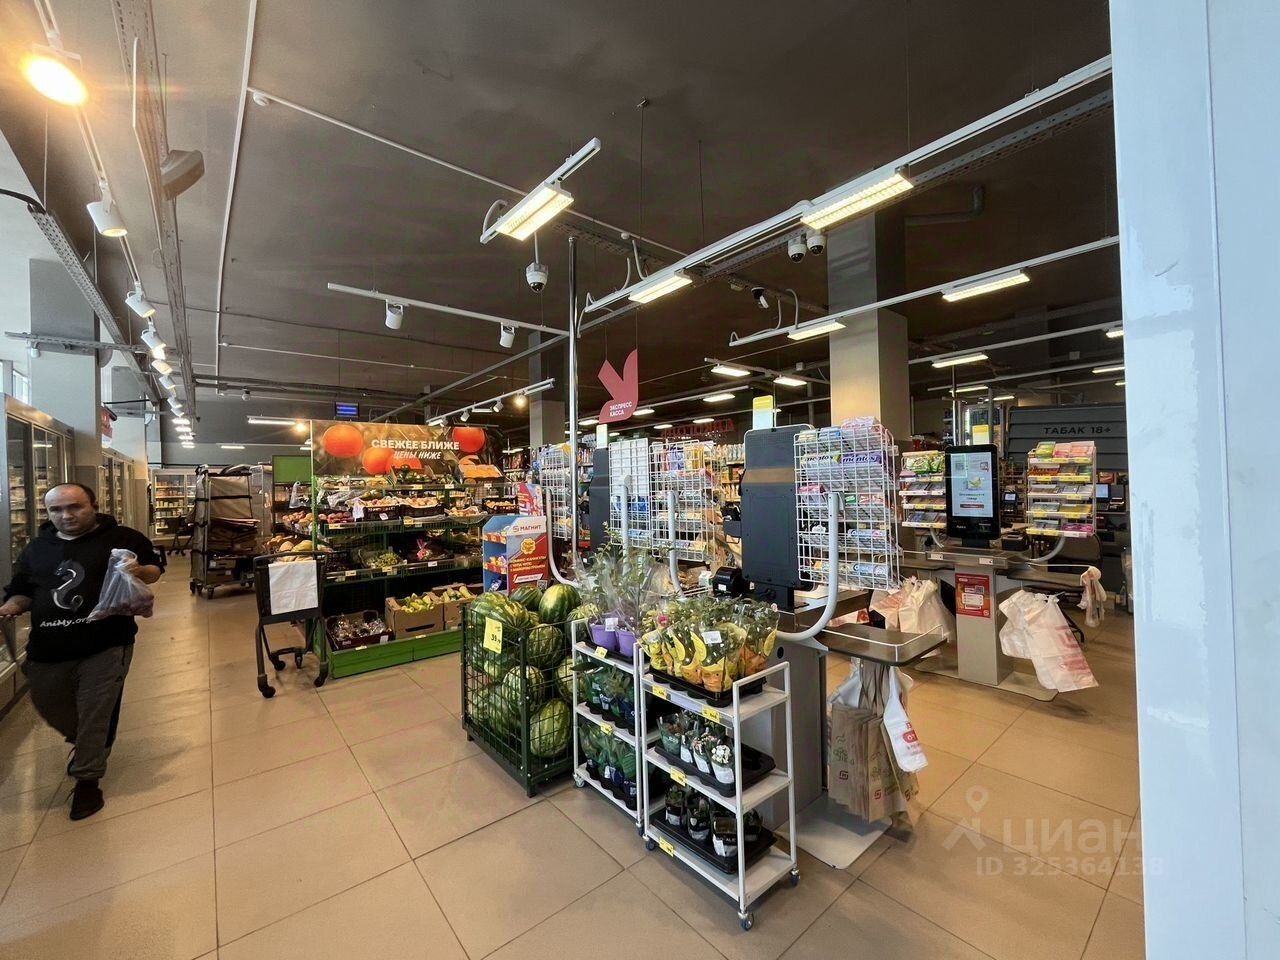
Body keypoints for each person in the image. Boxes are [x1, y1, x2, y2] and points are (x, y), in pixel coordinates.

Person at [0, 483, 163, 820]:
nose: (66, 515)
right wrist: (10, 608)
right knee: (52, 707)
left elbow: (154, 571)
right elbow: (23, 592)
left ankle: (87, 780)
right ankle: (91, 741)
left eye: (74, 507)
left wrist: (138, 571)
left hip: (106, 642)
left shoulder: (122, 539)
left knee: (95, 710)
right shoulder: (37, 549)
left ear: (94, 505)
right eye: (56, 510)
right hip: (47, 647)